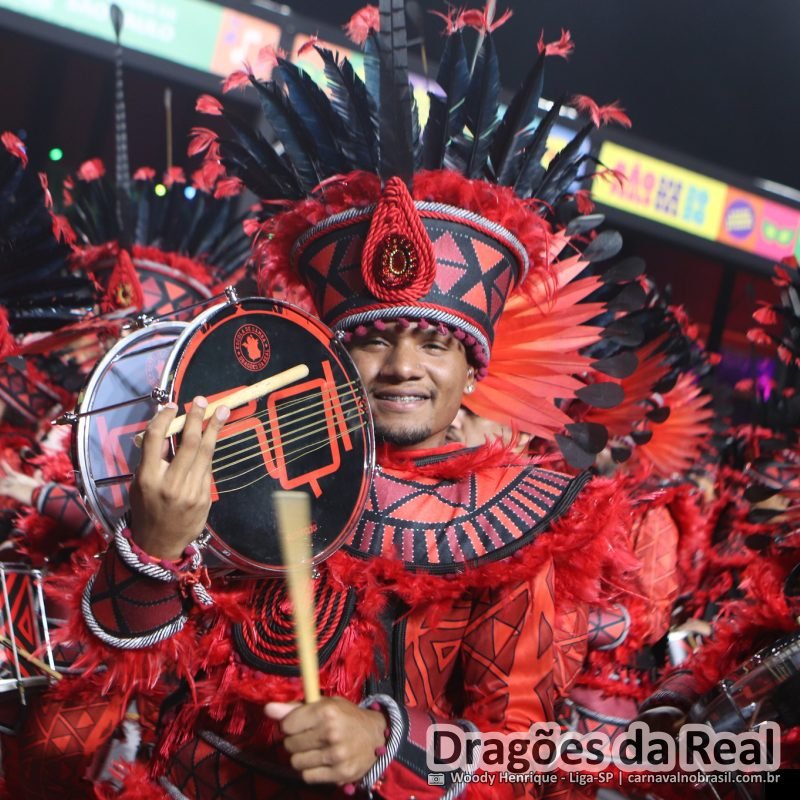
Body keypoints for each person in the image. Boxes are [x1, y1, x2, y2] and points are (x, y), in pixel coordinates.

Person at [6, 4, 641, 798]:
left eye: (435, 343)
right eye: (375, 338)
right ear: (332, 347)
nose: (402, 367)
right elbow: (72, 731)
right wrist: (153, 547)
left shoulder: (530, 521)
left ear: (473, 365)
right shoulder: (236, 454)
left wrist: (388, 741)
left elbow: (525, 753)